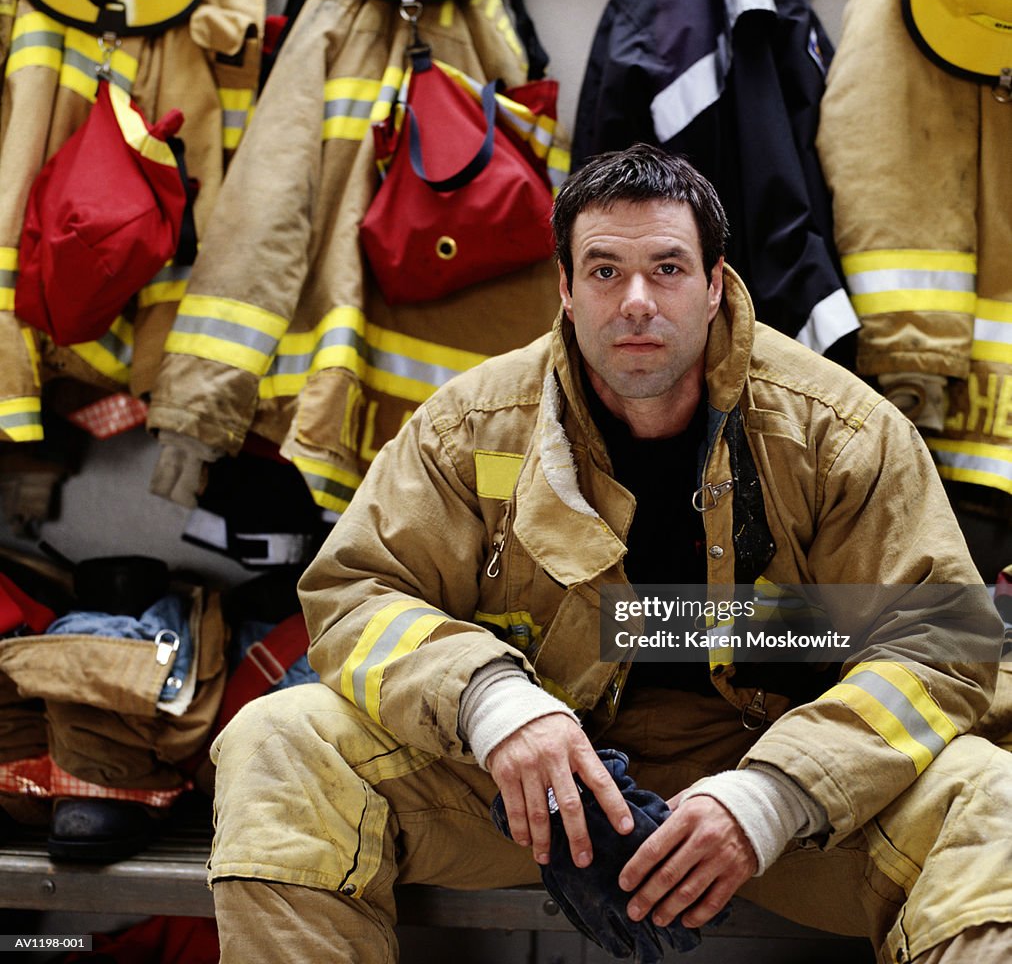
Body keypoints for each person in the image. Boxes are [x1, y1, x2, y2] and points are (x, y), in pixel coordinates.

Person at [209, 145, 1012, 963]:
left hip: (785, 791)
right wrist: (495, 707)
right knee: (280, 737)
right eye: (603, 271)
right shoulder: (470, 427)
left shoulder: (838, 433)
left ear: (714, 283)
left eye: (666, 268)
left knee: (994, 799)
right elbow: (358, 595)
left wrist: (774, 796)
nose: (635, 302)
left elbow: (941, 638)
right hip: (530, 790)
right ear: (563, 287)